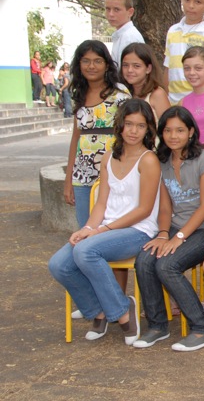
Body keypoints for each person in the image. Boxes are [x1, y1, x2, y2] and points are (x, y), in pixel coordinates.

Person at [49, 98, 160, 345]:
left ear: (148, 129)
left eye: (140, 125)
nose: (133, 131)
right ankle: (99, 311)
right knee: (59, 264)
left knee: (86, 251)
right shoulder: (109, 157)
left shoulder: (149, 160)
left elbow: (144, 210)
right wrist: (88, 228)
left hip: (138, 230)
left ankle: (122, 311)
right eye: (128, 124)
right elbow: (101, 203)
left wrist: (100, 231)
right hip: (106, 230)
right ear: (119, 125)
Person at [133, 106, 204, 350]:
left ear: (191, 132)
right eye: (168, 130)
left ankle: (202, 328)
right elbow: (165, 207)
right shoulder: (161, 161)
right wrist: (163, 234)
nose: (173, 136)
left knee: (167, 266)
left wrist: (179, 237)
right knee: (144, 260)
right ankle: (157, 326)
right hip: (174, 228)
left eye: (180, 130)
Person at [64, 40, 132, 231]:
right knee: (84, 229)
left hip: (113, 172)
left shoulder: (120, 94)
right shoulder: (78, 93)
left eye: (97, 61)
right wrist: (69, 179)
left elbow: (131, 133)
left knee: (109, 229)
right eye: (86, 61)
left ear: (107, 65)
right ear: (79, 64)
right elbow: (76, 138)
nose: (91, 66)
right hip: (83, 174)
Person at [120, 43, 170, 122]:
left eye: (136, 66)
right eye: (125, 65)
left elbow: (168, 125)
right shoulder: (121, 93)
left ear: (148, 68)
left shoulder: (157, 94)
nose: (130, 70)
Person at [105, 0, 144, 67]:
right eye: (108, 9)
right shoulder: (122, 35)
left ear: (130, 12)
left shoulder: (129, 38)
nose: (111, 14)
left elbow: (128, 72)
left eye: (116, 9)